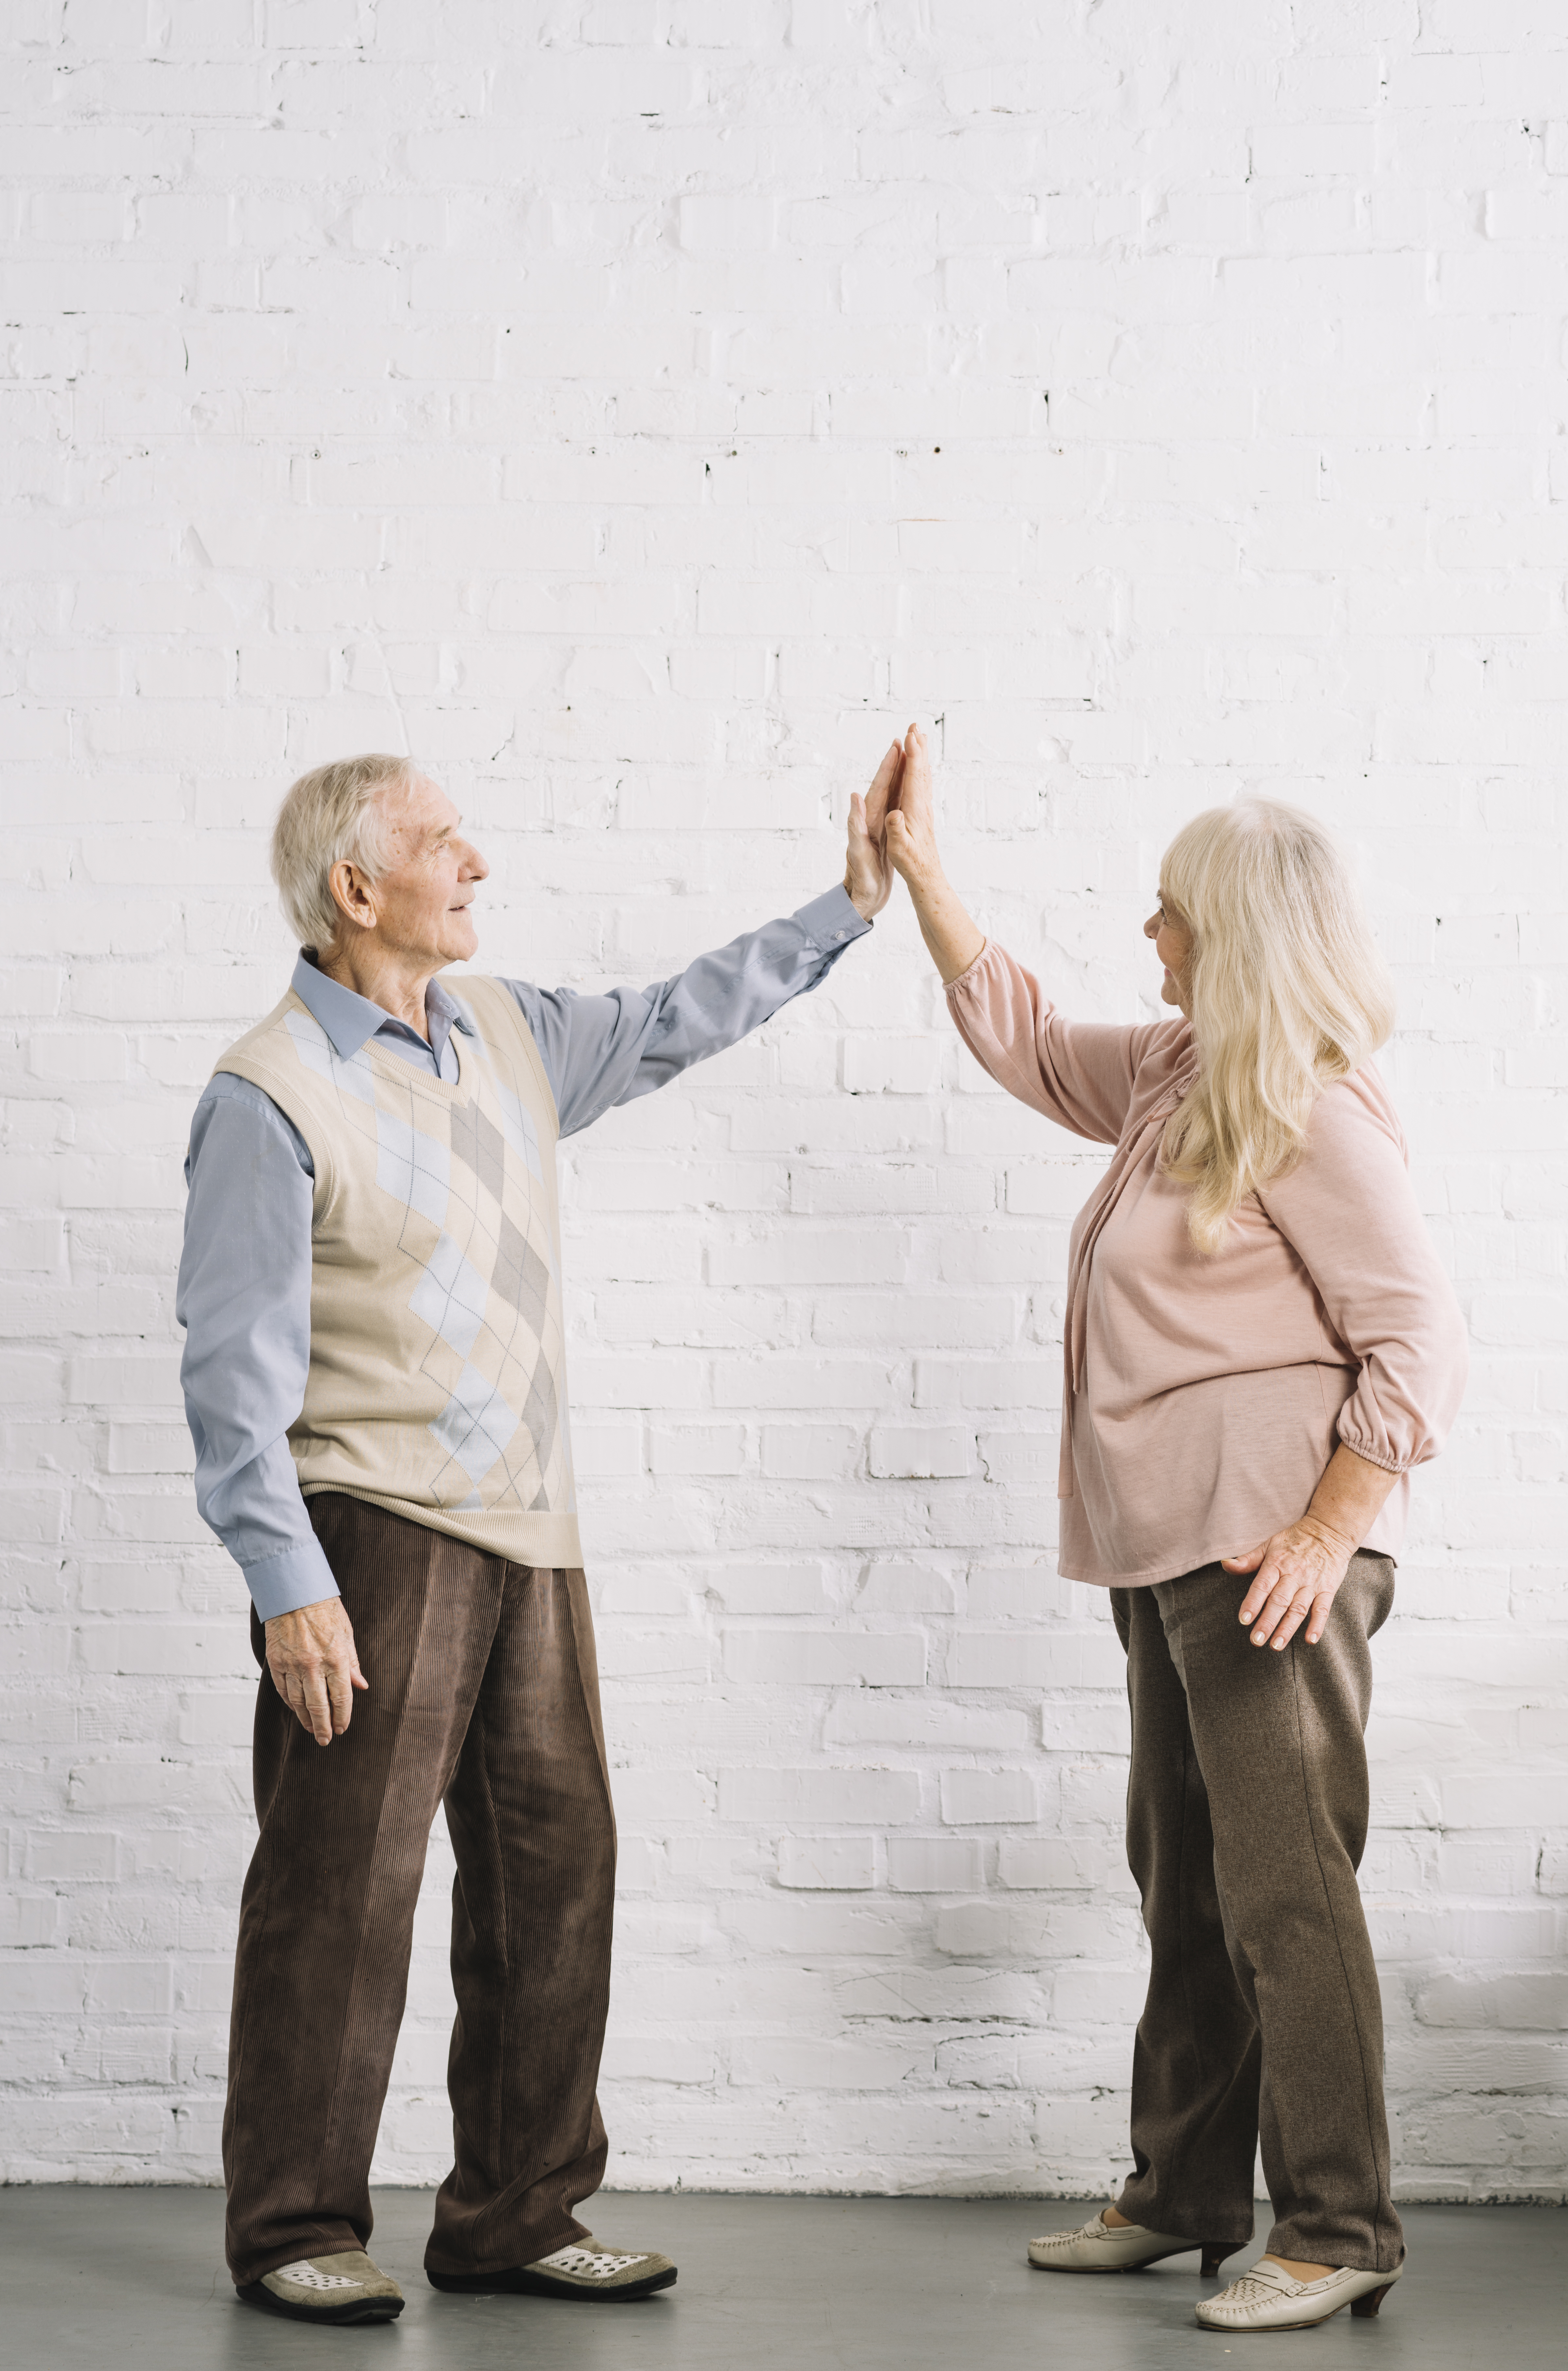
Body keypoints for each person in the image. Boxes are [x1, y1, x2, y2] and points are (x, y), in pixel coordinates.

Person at [177, 747, 900, 2326]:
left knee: (556, 1867)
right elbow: (230, 1374)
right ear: (357, 889)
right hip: (368, 1530)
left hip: (533, 1529)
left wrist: (848, 905)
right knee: (339, 1884)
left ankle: (515, 2211)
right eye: (446, 845)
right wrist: (285, 1584)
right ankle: (295, 2223)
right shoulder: (270, 1092)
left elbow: (670, 1020)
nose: (479, 862)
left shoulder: (505, 1032)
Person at [883, 727, 1466, 2337]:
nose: (1146, 936)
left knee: (1286, 1885)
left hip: (1268, 1555)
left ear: (1236, 932)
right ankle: (1188, 2190)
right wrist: (923, 876)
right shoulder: (1173, 1072)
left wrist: (1327, 1528)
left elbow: (1422, 1339)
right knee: (1186, 1874)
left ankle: (1338, 2224)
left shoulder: (1308, 1103)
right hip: (1168, 1550)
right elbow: (1017, 1030)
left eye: (1168, 914)